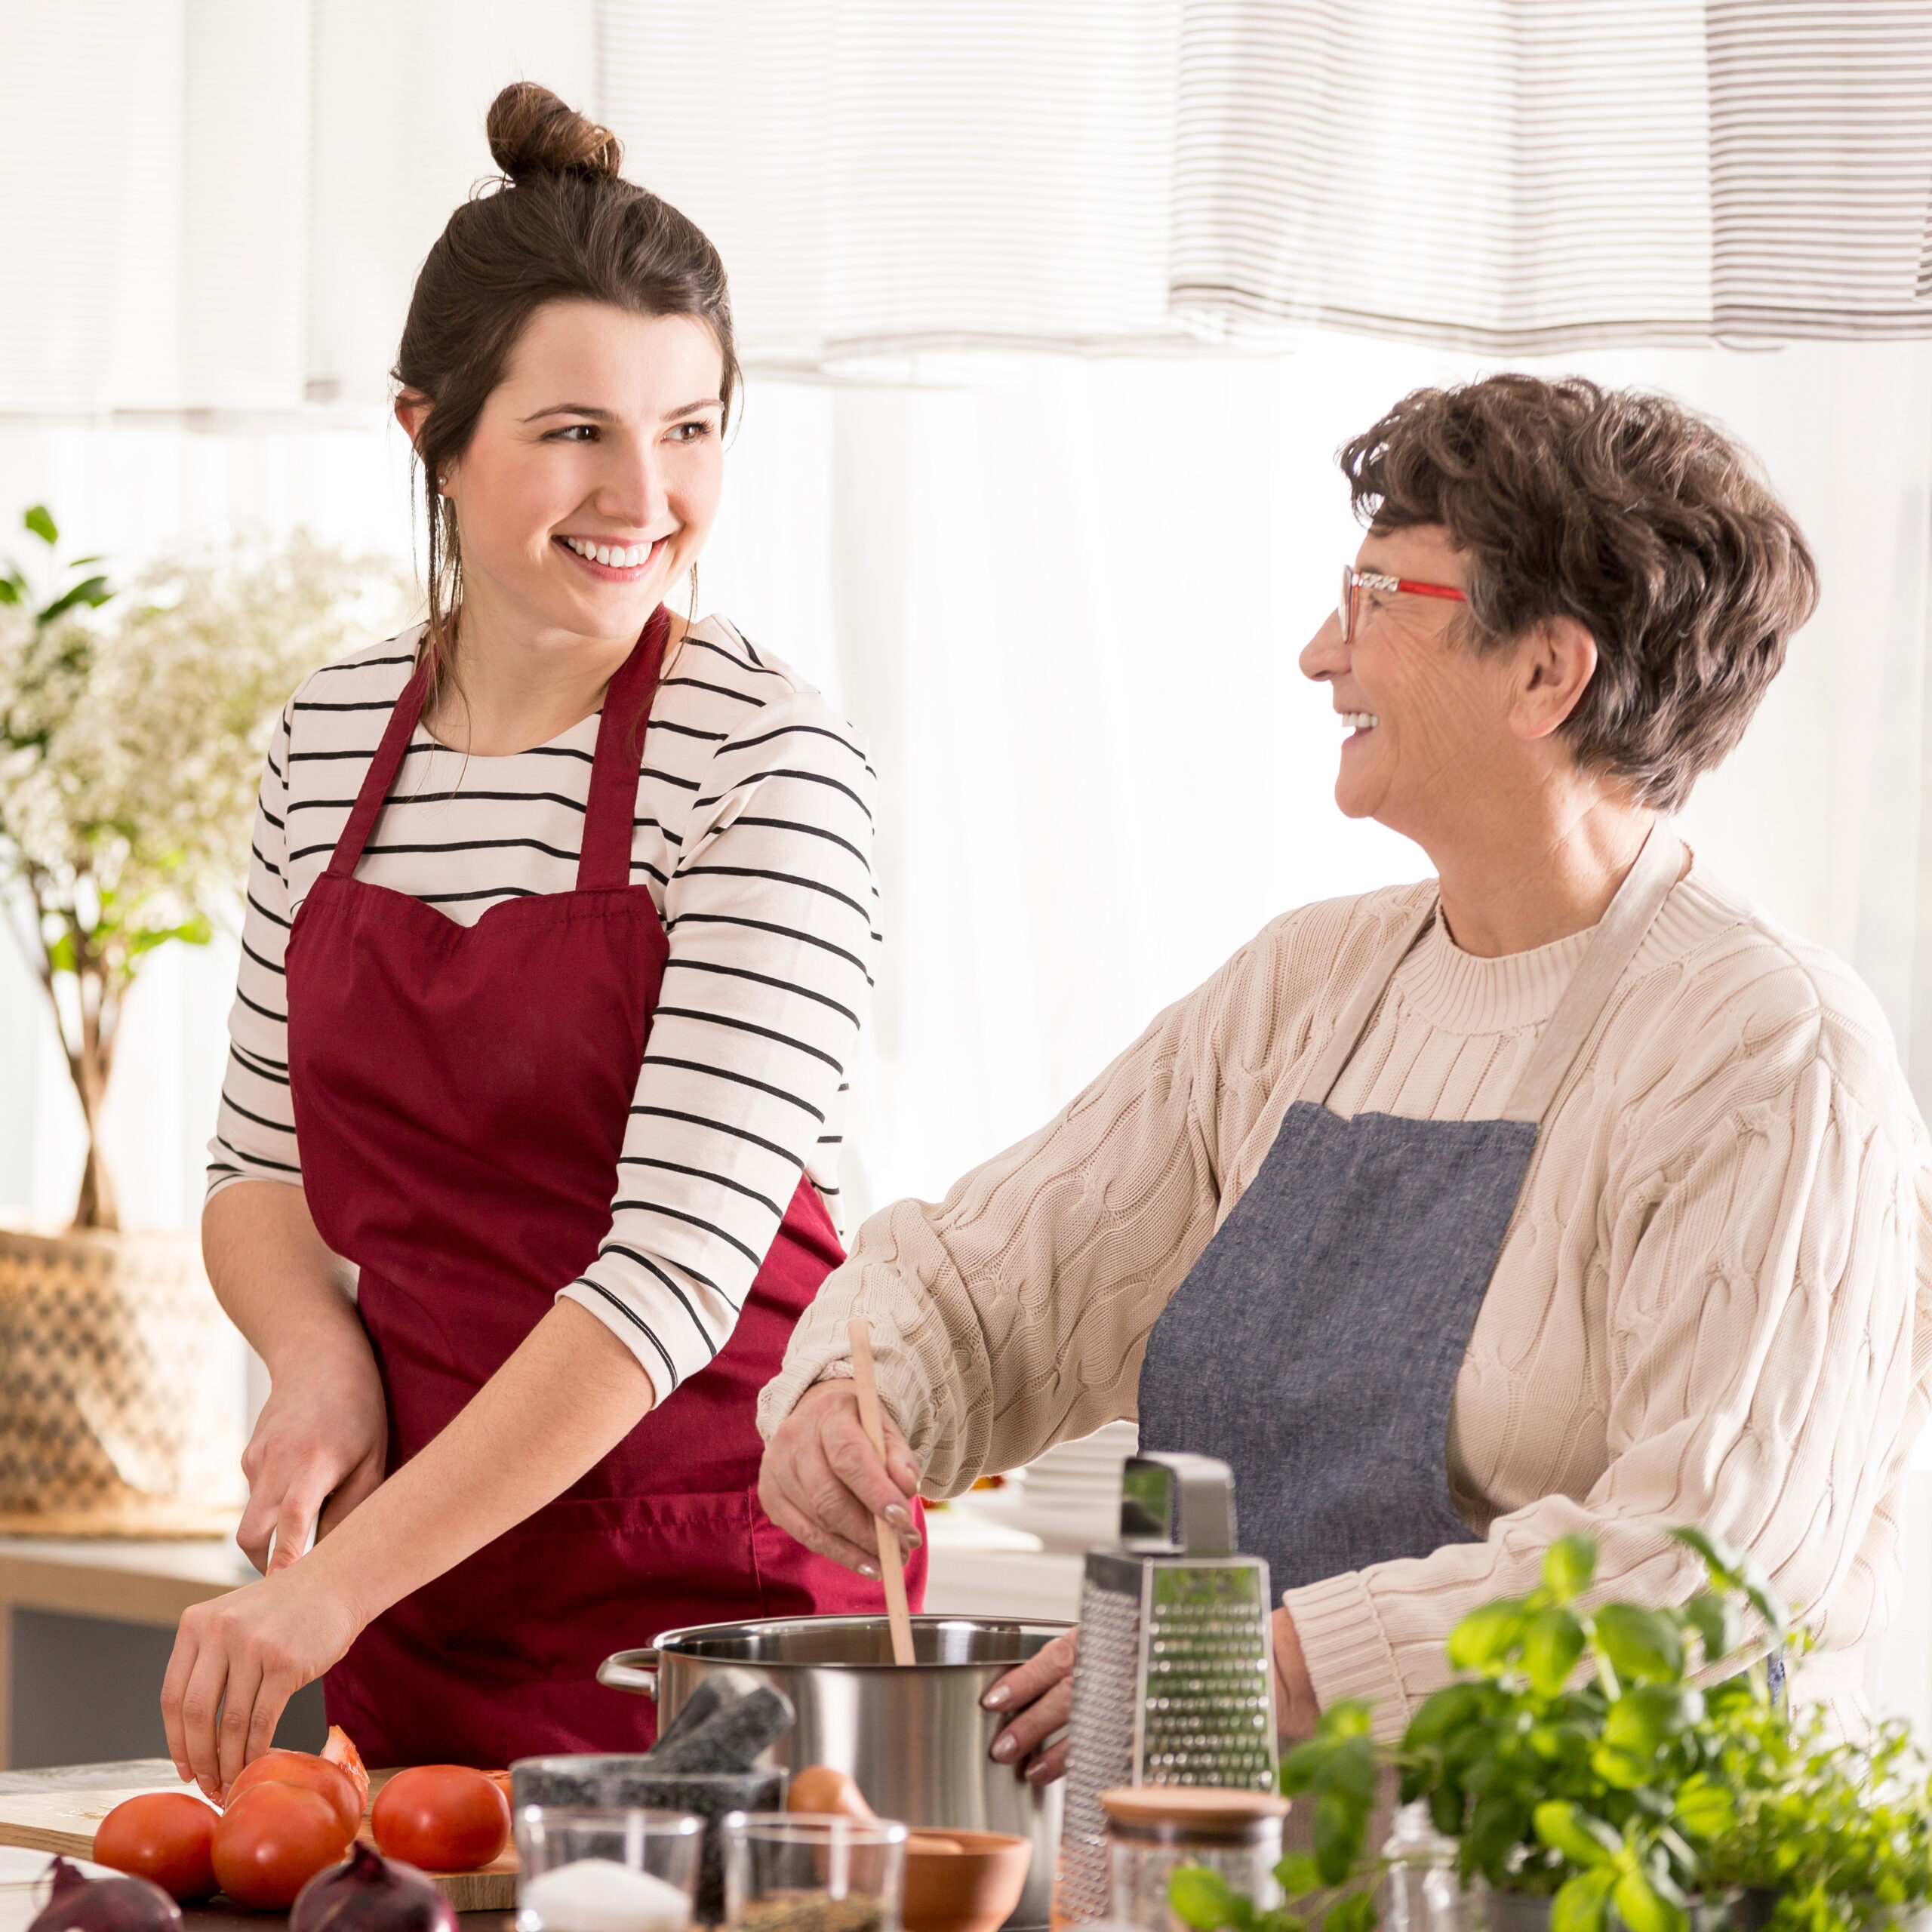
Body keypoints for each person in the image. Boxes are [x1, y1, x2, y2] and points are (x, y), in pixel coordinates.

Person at [758, 374, 1932, 1779]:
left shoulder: (1772, 1048)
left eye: (1381, 594)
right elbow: (988, 1286)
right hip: (1241, 1859)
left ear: (1548, 673)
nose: (1324, 650)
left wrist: (1284, 1664)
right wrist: (854, 1399)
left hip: (1575, 1874)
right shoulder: (1302, 991)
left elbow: (1709, 1562)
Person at [164, 83, 920, 1795]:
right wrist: (315, 1364)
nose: (643, 495)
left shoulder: (768, 766)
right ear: (432, 430)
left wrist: (332, 1583)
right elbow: (253, 1158)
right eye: (575, 429)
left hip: (717, 1626)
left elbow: (668, 1270)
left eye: (691, 429)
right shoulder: (326, 740)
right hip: (425, 1600)